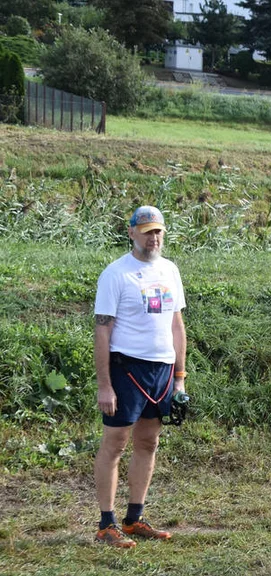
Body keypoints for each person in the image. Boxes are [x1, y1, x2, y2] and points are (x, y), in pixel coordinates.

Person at [92, 205, 187, 548]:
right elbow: (102, 332)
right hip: (126, 368)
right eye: (147, 231)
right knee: (115, 444)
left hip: (161, 369)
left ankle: (134, 518)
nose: (154, 237)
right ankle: (107, 524)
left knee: (149, 442)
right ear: (131, 232)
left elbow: (177, 324)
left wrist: (180, 376)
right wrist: (105, 385)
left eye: (158, 231)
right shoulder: (116, 274)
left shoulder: (170, 270)